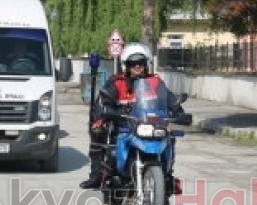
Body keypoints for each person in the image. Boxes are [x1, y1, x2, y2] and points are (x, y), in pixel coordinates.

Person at [79, 42, 187, 192]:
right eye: (133, 63)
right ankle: (97, 175)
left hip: (150, 127)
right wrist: (107, 114)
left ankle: (167, 174)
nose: (137, 66)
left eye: (141, 63)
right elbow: (103, 102)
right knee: (98, 131)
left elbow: (170, 101)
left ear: (146, 64)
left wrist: (179, 113)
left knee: (170, 137)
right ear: (126, 65)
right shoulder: (117, 83)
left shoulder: (156, 83)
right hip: (124, 126)